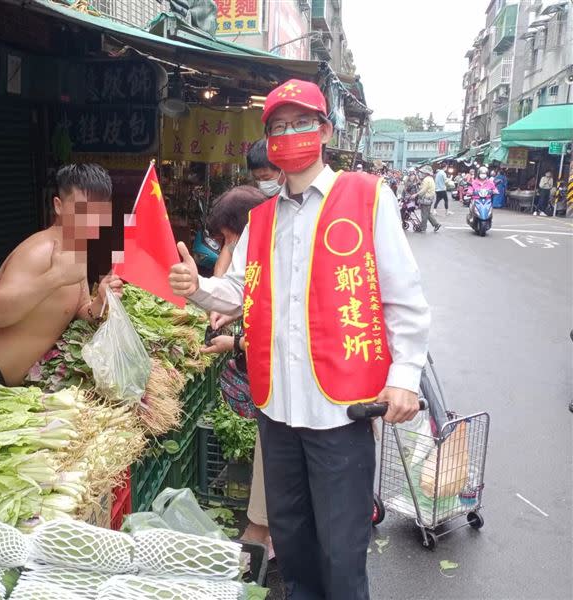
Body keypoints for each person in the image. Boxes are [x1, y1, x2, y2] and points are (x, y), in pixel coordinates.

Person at [169, 79, 430, 600]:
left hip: (341, 412)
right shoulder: (262, 218)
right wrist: (197, 287)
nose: (290, 135)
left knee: (342, 548)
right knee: (291, 541)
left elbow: (403, 297)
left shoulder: (365, 196)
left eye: (301, 123)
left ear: (325, 130)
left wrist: (404, 378)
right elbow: (239, 291)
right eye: (278, 127)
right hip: (278, 410)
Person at [0, 164, 122, 435]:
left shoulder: (77, 252)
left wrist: (100, 300)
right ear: (58, 206)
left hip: (1, 387)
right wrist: (54, 276)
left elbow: (77, 308)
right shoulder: (42, 249)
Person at [201, 185, 271, 554]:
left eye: (230, 239)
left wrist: (235, 343)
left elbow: (279, 335)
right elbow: (246, 290)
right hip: (279, 389)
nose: (229, 248)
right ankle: (261, 533)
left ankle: (261, 537)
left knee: (274, 456)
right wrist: (232, 309)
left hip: (293, 391)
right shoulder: (265, 247)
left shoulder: (272, 248)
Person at [418, 165, 441, 232]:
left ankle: (423, 228)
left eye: (423, 172)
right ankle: (436, 224)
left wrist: (416, 194)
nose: (422, 174)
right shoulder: (430, 179)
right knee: (427, 213)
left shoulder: (426, 179)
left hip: (426, 198)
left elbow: (423, 190)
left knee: (424, 214)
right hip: (430, 198)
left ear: (426, 173)